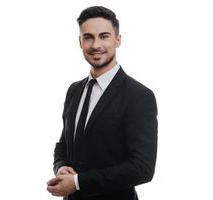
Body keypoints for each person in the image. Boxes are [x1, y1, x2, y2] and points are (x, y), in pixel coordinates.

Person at [47, 6, 158, 200]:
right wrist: (61, 167)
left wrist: (77, 182)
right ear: (80, 42)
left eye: (104, 36)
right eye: (88, 37)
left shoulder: (139, 96)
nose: (95, 44)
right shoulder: (74, 90)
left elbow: (142, 168)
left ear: (118, 40)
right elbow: (64, 144)